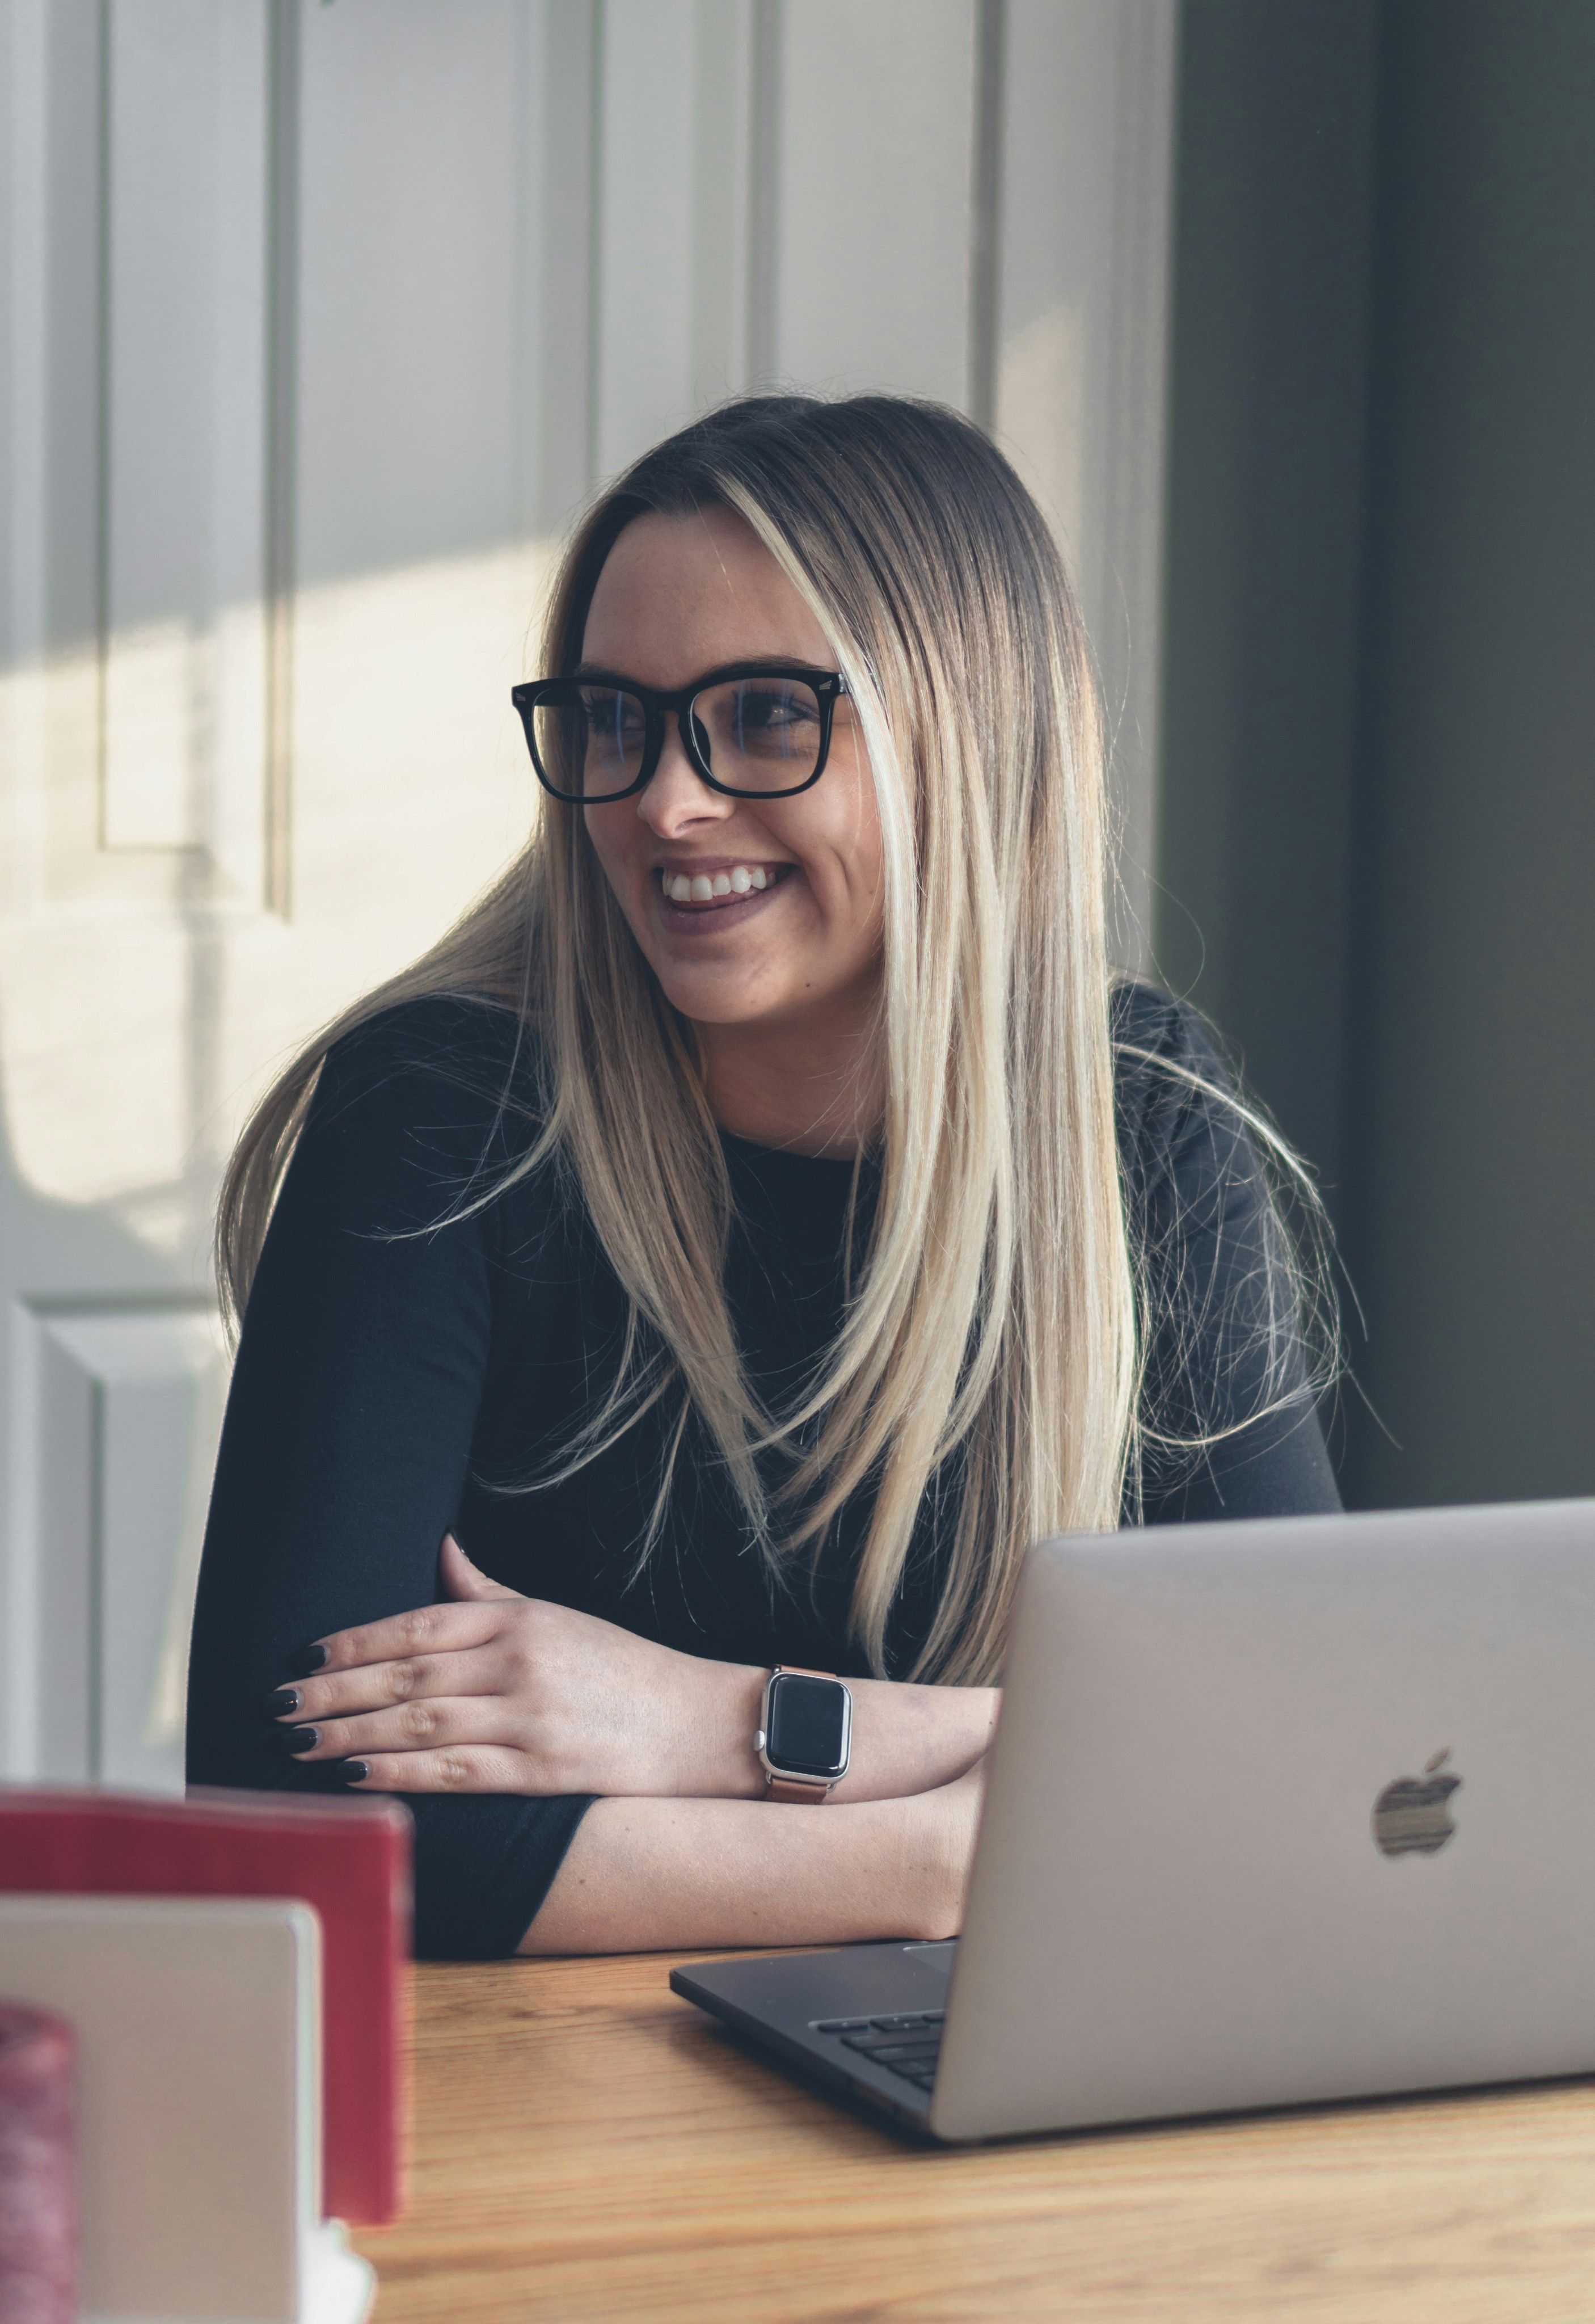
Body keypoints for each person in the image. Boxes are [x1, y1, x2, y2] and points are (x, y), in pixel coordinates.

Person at [185, 394, 1340, 1961]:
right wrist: (941, 1858)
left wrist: (711, 1725)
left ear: (965, 729)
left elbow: (1296, 1760)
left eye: (764, 714)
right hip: (549, 2110)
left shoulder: (1136, 1119)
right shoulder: (438, 1114)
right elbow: (293, 1819)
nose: (664, 802)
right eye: (611, 718)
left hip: (1006, 2080)